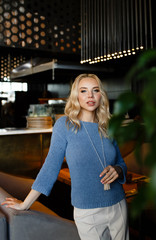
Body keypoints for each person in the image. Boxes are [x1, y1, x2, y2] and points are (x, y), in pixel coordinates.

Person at [2, 74, 129, 240]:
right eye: (83, 91)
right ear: (76, 96)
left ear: (101, 96)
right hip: (87, 211)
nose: (90, 96)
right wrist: (25, 204)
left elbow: (121, 162)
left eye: (95, 90)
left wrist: (118, 170)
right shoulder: (65, 126)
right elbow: (50, 168)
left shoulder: (107, 125)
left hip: (118, 205)